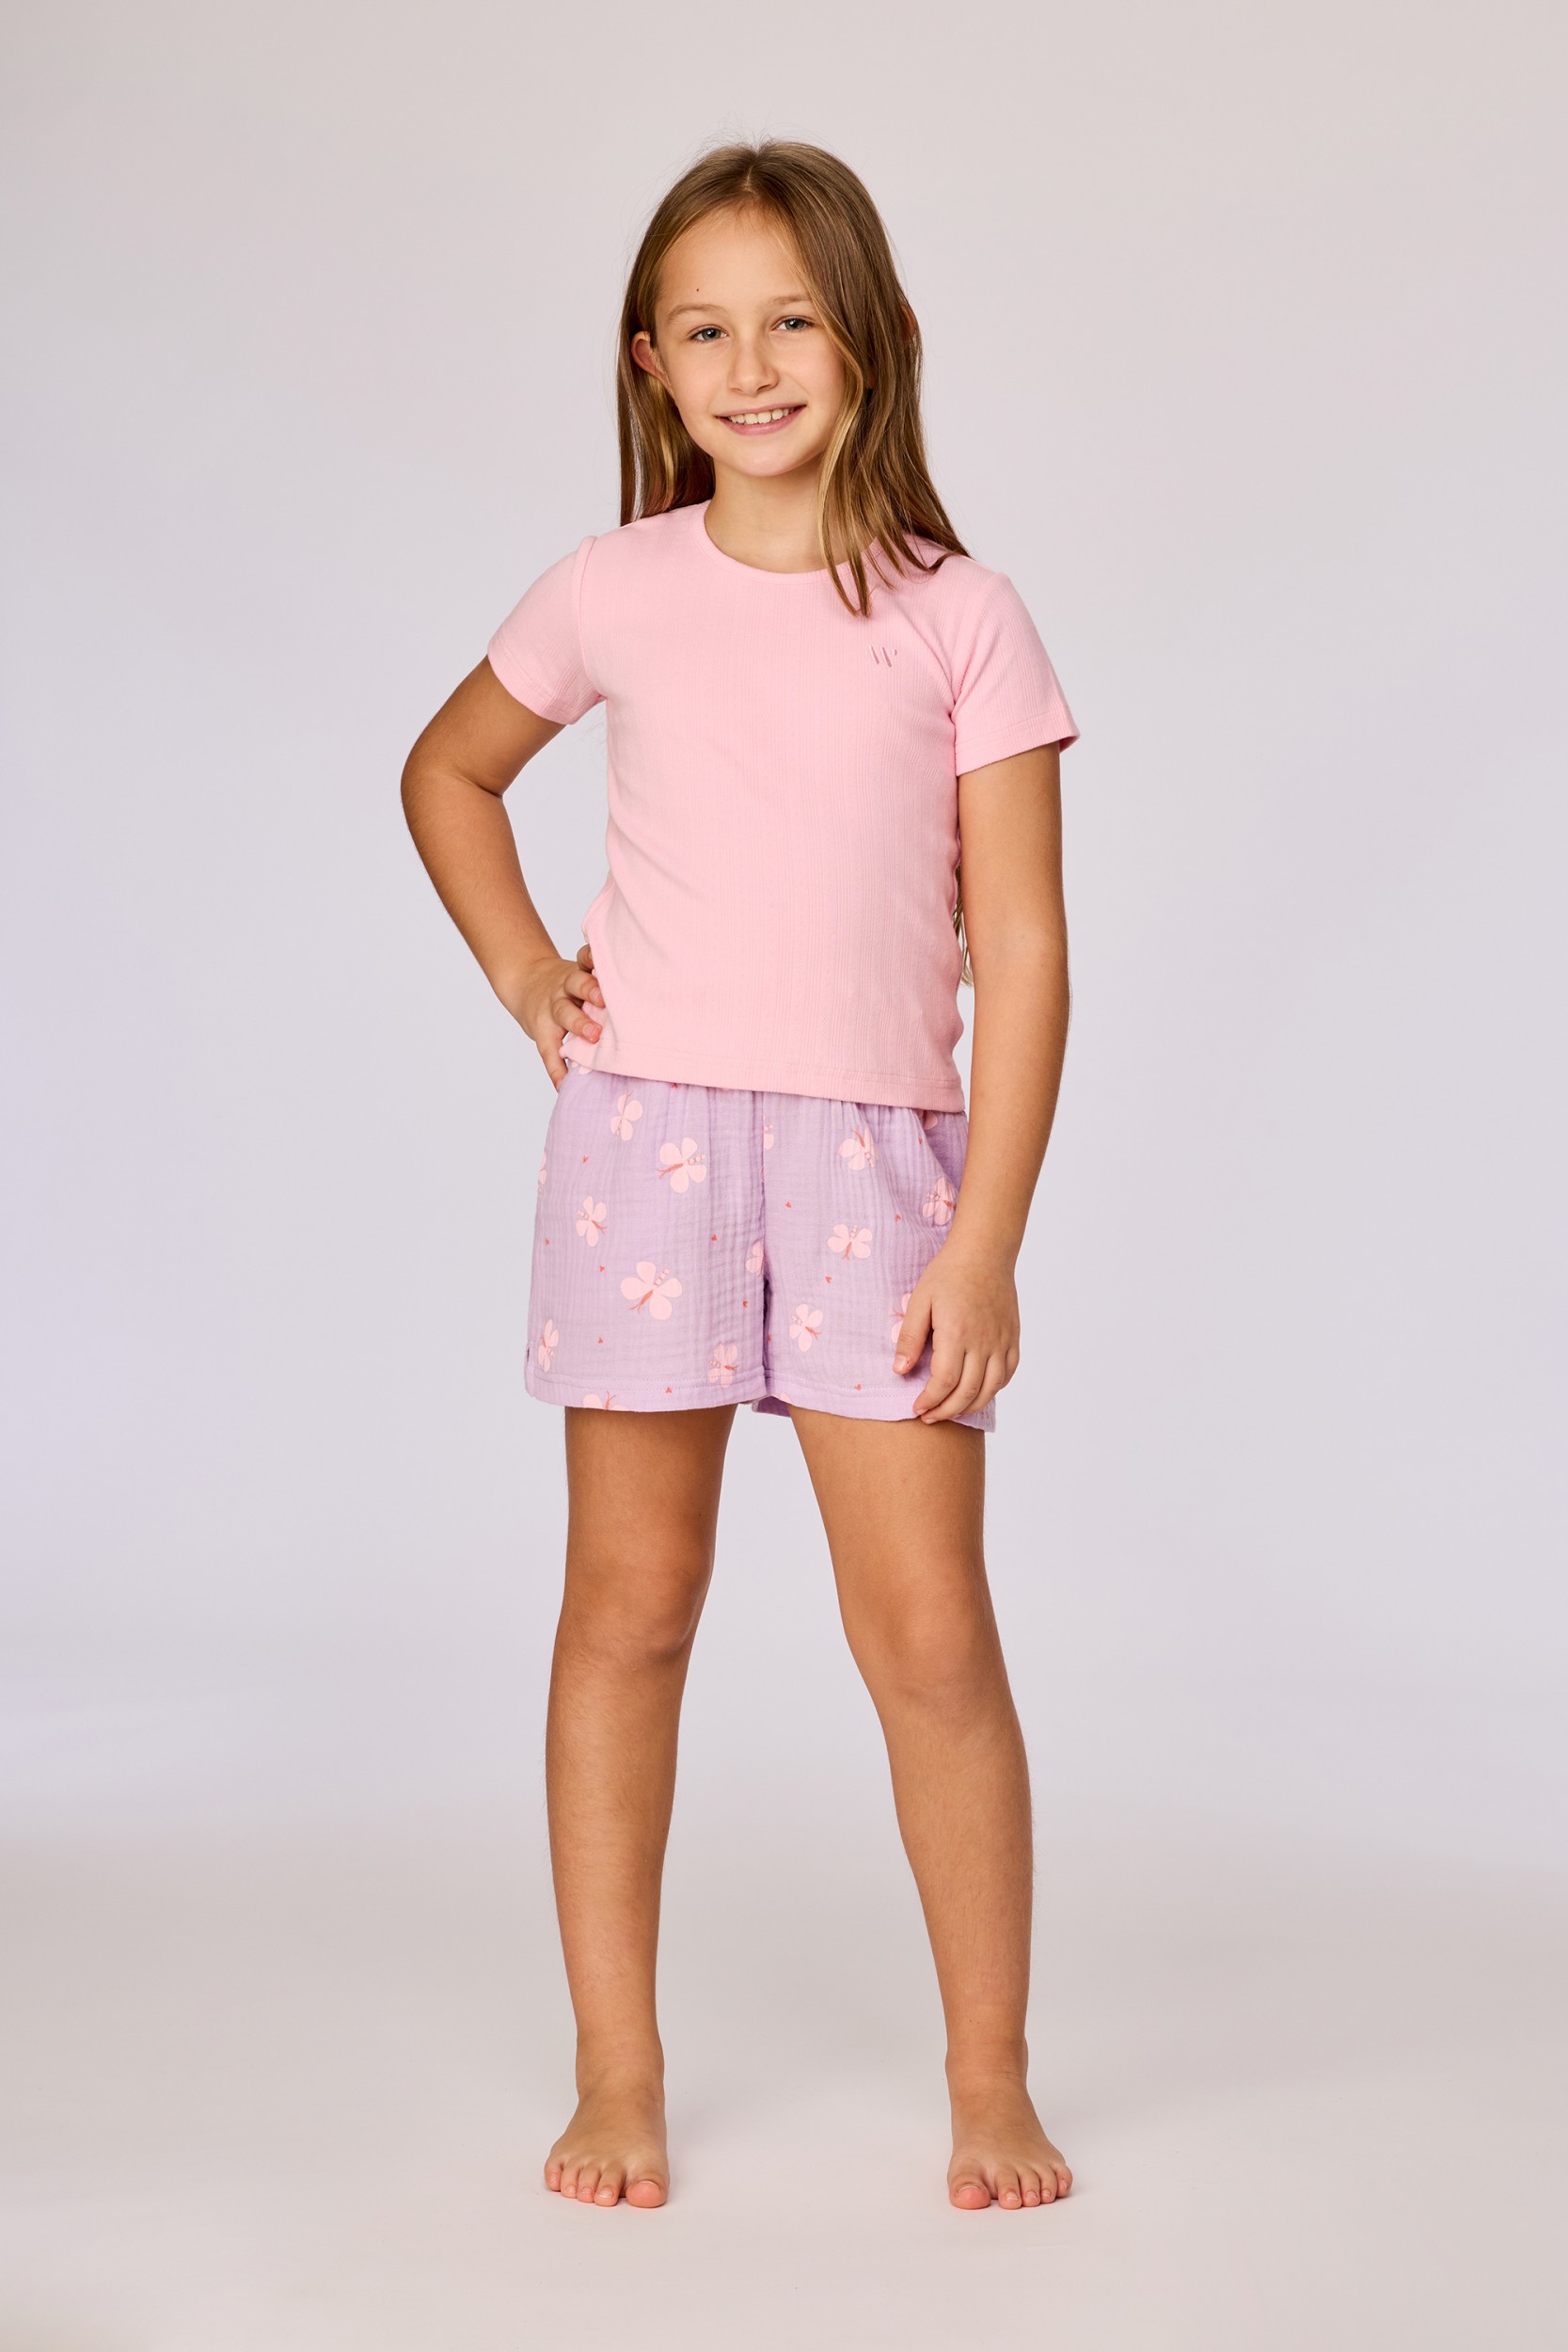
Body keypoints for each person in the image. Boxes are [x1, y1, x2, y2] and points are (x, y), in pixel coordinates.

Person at [401, 139, 1081, 2214]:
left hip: (884, 1165)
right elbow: (449, 771)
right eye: (706, 328)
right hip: (652, 1142)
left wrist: (987, 1238)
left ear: (874, 339)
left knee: (931, 1635)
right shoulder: (615, 586)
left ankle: (989, 2076)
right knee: (629, 1608)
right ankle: (619, 2069)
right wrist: (529, 971)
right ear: (652, 363)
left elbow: (1025, 947)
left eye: (792, 318)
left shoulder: (961, 616)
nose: (753, 362)